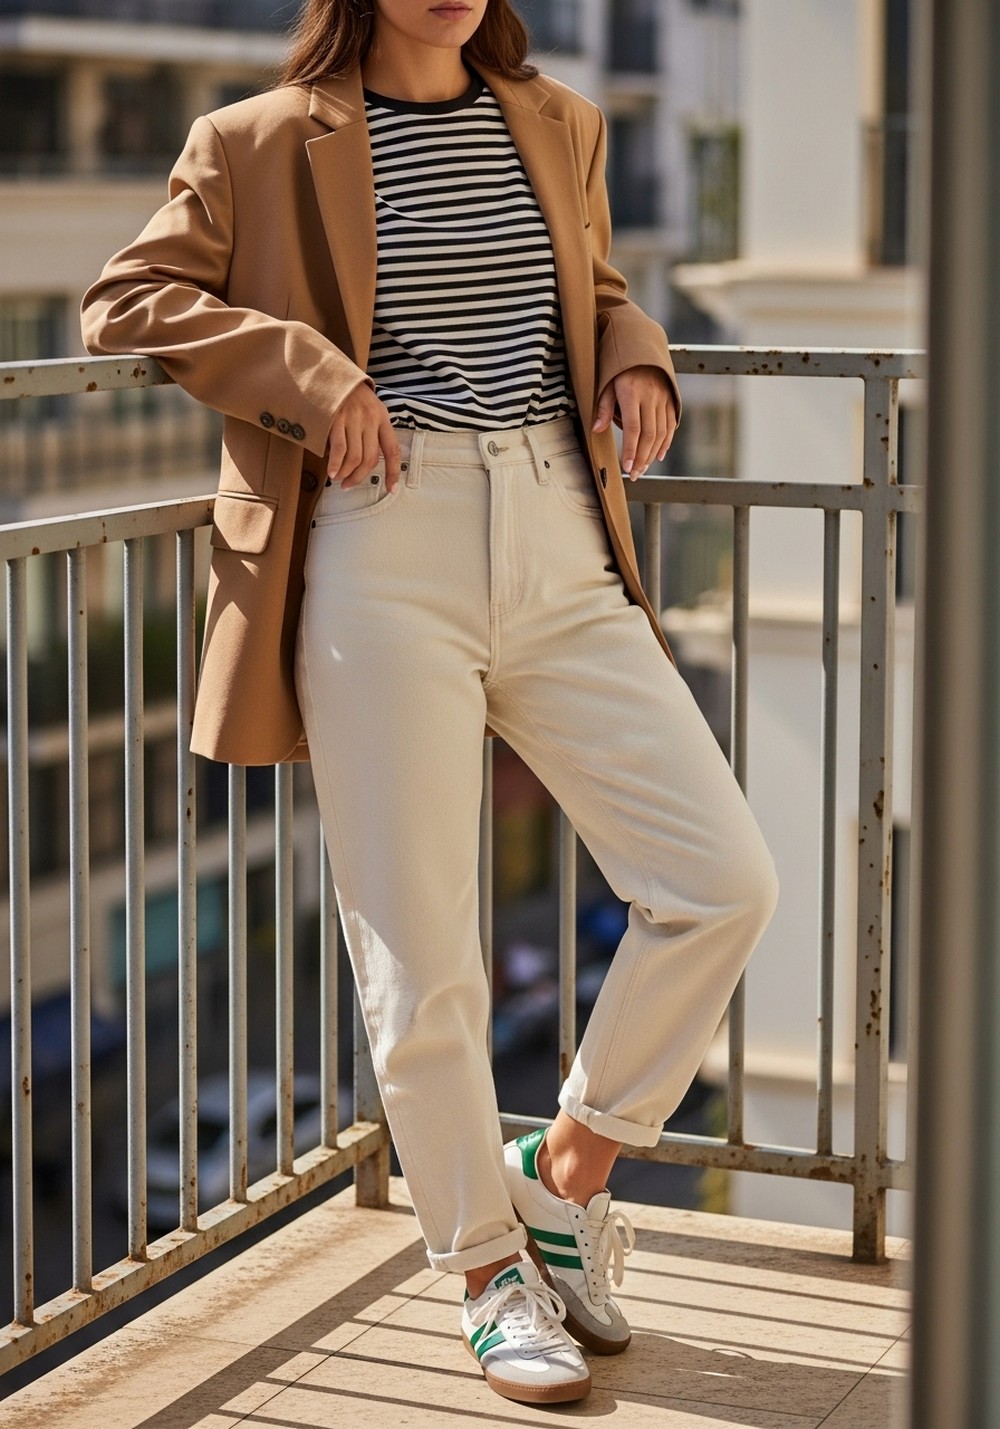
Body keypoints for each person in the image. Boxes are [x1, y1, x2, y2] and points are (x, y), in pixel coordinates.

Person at [82, 0, 778, 1408]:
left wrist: (635, 345)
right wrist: (310, 369)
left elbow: (589, 283)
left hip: (559, 528)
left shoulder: (558, 122)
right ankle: (482, 1267)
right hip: (378, 542)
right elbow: (127, 300)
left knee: (722, 877)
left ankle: (561, 1178)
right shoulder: (259, 140)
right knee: (420, 946)